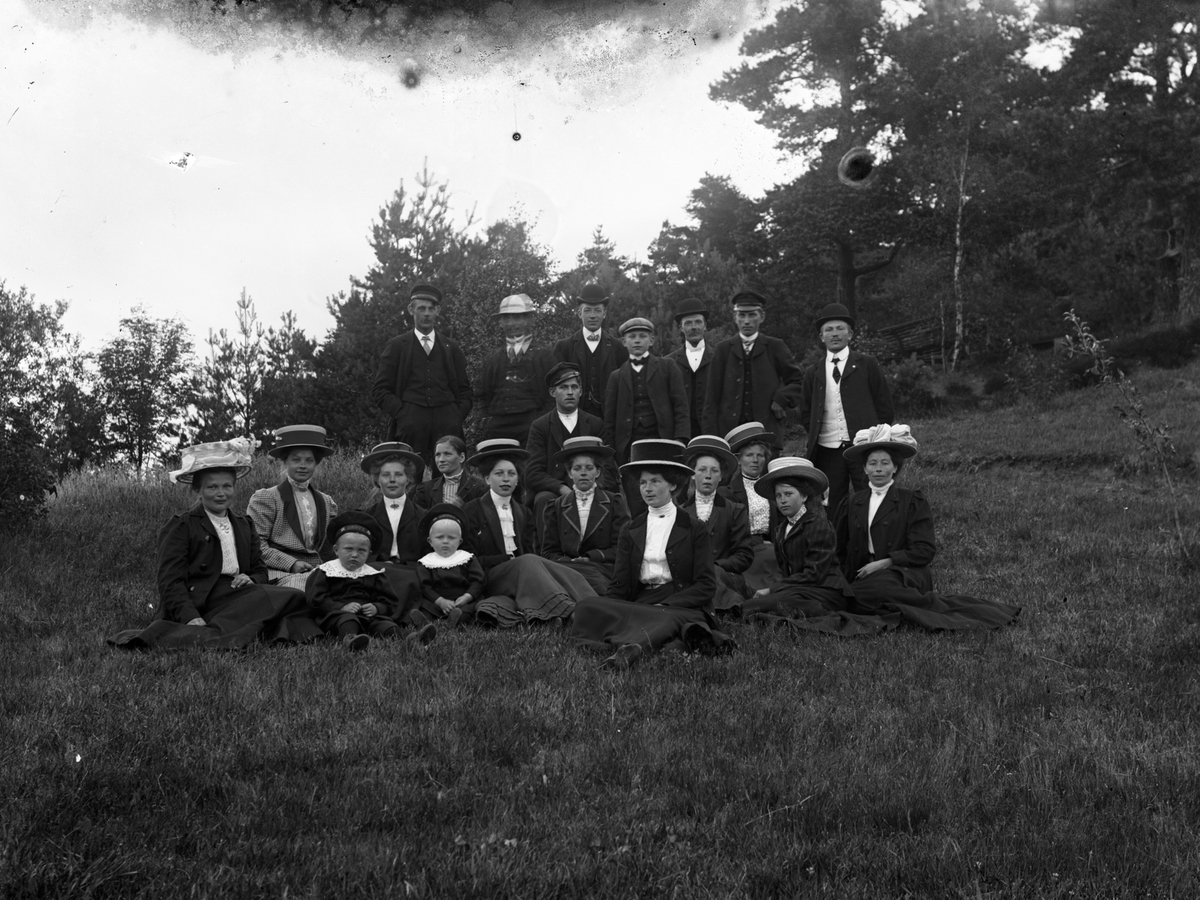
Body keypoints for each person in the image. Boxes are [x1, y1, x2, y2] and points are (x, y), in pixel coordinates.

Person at [107, 439, 319, 650]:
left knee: (294, 597)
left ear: (234, 488)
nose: (221, 493)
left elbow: (260, 570)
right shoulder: (182, 526)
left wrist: (251, 578)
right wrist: (190, 616)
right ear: (198, 490)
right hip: (203, 599)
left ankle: (252, 629)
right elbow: (170, 581)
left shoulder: (244, 524)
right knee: (273, 602)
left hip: (238, 593)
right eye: (212, 487)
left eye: (227, 486)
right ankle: (213, 631)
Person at [834, 424, 1021, 630]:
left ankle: (966, 613)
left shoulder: (912, 500)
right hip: (861, 572)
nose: (878, 469)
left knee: (875, 590)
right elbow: (839, 548)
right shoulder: (851, 502)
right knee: (844, 594)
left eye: (885, 463)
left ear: (895, 467)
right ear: (864, 468)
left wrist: (885, 563)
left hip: (902, 573)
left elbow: (924, 550)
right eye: (873, 463)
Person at [569, 439, 734, 669]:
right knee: (586, 606)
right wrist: (607, 607)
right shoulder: (631, 529)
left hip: (681, 602)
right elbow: (621, 584)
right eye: (643, 482)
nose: (647, 488)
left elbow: (706, 586)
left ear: (673, 486)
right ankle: (659, 640)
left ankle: (631, 646)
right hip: (643, 600)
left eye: (655, 481)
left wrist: (666, 604)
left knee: (665, 617)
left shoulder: (694, 528)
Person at [459, 439, 597, 627]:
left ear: (517, 480)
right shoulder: (472, 510)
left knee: (560, 569)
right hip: (488, 577)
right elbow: (468, 559)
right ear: (487, 479)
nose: (506, 479)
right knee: (529, 560)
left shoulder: (524, 512)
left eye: (511, 474)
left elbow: (526, 551)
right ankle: (571, 613)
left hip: (522, 573)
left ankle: (594, 605)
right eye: (499, 474)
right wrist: (505, 559)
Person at [797, 302, 896, 519]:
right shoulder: (813, 372)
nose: (835, 334)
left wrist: (873, 438)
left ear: (850, 334)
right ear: (821, 337)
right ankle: (838, 548)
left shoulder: (867, 364)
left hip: (863, 448)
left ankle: (872, 543)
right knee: (833, 504)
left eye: (840, 328)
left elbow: (885, 407)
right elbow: (806, 412)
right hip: (828, 450)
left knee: (871, 496)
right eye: (829, 330)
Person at [738, 457, 856, 622]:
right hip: (800, 589)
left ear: (804, 496)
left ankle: (810, 610)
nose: (783, 500)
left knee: (773, 602)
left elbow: (814, 574)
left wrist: (774, 589)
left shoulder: (818, 525)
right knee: (758, 603)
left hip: (827, 590)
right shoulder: (781, 530)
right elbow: (787, 572)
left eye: (788, 494)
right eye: (778, 495)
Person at [371, 283, 473, 471]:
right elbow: (380, 390)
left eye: (431, 309)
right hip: (410, 421)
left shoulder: (451, 347)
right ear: (411, 310)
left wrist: (456, 417)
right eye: (421, 308)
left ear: (438, 311)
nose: (427, 313)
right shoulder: (397, 346)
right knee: (408, 477)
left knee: (448, 479)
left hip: (446, 420)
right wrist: (403, 414)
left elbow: (465, 390)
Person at [306, 512, 436, 651]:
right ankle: (350, 641)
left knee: (386, 624)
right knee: (348, 620)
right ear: (336, 550)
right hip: (336, 615)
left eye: (362, 550)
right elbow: (315, 599)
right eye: (348, 549)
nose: (354, 555)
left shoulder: (373, 574)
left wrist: (377, 607)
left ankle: (410, 640)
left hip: (368, 616)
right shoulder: (326, 571)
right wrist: (340, 607)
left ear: (369, 553)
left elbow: (389, 601)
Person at [703, 289, 803, 450]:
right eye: (742, 315)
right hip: (730, 434)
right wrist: (713, 439)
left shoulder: (775, 346)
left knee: (766, 473)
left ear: (761, 317)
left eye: (752, 315)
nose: (747, 321)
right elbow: (711, 399)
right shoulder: (723, 350)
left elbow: (798, 381)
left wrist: (781, 399)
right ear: (735, 318)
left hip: (766, 430)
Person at [525, 361, 616, 537]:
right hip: (555, 492)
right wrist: (562, 489)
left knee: (607, 499)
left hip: (591, 486)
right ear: (553, 392)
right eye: (563, 387)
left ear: (581, 392)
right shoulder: (541, 426)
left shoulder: (595, 424)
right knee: (543, 499)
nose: (569, 392)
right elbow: (532, 473)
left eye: (574, 387)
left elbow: (608, 467)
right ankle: (548, 556)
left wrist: (592, 487)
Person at [246, 425, 338, 590]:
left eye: (309, 460)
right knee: (304, 590)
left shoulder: (326, 501)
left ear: (316, 463)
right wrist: (291, 563)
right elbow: (256, 544)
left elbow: (328, 547)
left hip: (318, 570)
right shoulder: (267, 498)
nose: (303, 465)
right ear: (285, 461)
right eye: (296, 460)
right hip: (279, 572)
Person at [540, 436, 630, 594]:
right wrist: (569, 562)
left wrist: (591, 557)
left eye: (589, 468)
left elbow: (622, 547)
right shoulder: (556, 506)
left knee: (596, 585)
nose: (583, 473)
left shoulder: (613, 502)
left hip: (602, 568)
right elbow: (548, 552)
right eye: (577, 468)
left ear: (598, 472)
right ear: (569, 473)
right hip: (567, 568)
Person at [603, 317, 690, 466]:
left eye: (642, 336)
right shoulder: (616, 376)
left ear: (652, 340)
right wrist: (612, 452)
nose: (637, 340)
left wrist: (679, 440)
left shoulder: (668, 367)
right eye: (632, 336)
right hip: (629, 444)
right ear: (624, 342)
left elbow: (680, 406)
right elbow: (610, 419)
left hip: (663, 439)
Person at [681, 435, 754, 611]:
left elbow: (744, 555)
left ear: (721, 476)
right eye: (702, 470)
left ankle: (726, 607)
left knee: (712, 576)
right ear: (692, 475)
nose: (708, 476)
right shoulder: (680, 512)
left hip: (725, 575)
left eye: (714, 471)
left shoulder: (735, 509)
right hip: (690, 576)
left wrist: (717, 566)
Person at [476, 293, 556, 443]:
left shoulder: (545, 356)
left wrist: (541, 422)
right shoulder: (492, 360)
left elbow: (552, 396)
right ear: (500, 322)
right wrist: (487, 422)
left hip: (533, 426)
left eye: (517, 317)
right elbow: (482, 397)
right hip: (498, 428)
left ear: (529, 319)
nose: (512, 323)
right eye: (507, 318)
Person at [721, 422, 783, 591]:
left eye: (760, 455)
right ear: (739, 460)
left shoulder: (773, 488)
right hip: (745, 553)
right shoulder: (728, 493)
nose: (755, 460)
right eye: (749, 455)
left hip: (773, 547)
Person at [552, 283, 628, 418]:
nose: (593, 315)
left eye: (597, 310)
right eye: (587, 310)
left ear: (604, 314)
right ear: (579, 313)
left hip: (609, 417)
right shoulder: (564, 347)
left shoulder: (619, 348)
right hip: (574, 417)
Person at [413, 503, 487, 628]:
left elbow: (478, 581)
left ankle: (455, 620)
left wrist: (466, 597)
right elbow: (425, 587)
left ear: (460, 541)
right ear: (430, 541)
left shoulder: (467, 558)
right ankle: (425, 622)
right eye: (440, 537)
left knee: (468, 609)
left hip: (462, 599)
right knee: (425, 606)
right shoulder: (426, 562)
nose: (445, 541)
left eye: (452, 538)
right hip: (437, 600)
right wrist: (440, 601)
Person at [665, 298, 714, 439]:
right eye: (688, 323)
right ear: (681, 328)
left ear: (705, 325)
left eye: (698, 322)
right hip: (680, 435)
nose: (694, 327)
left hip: (712, 433)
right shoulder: (668, 362)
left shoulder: (719, 359)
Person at [410, 435, 488, 509]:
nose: (441, 460)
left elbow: (485, 519)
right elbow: (418, 519)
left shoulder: (479, 488)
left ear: (461, 457)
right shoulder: (425, 489)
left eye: (447, 454)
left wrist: (464, 509)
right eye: (438, 455)